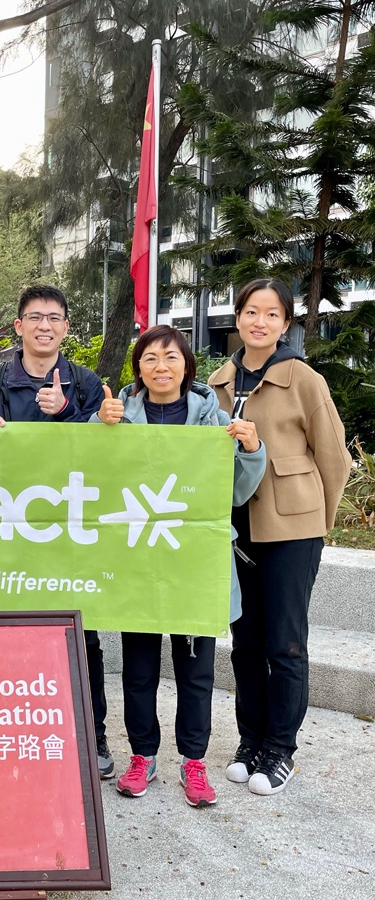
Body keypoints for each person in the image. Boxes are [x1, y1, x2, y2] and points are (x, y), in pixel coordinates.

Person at [94, 325, 265, 807]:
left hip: (194, 563)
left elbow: (235, 492)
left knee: (196, 672)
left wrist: (251, 450)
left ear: (187, 365)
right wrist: (95, 427)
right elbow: (89, 476)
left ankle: (193, 761)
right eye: (149, 359)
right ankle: (142, 756)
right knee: (138, 668)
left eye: (170, 357)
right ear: (138, 369)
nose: (161, 367)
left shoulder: (214, 420)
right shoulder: (116, 416)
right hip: (137, 558)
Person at [208, 278, 351, 796]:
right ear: (238, 317)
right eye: (250, 311)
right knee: (245, 640)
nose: (259, 322)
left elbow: (334, 458)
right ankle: (250, 741)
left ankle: (281, 748)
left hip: (293, 528)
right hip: (235, 526)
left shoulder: (303, 379)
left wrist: (318, 521)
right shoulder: (218, 381)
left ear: (285, 324)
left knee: (286, 643)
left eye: (271, 314)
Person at [0, 285, 114, 778]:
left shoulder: (87, 383)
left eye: (54, 317)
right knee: (6, 632)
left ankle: (93, 738)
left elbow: (102, 457)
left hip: (67, 530)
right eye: (35, 317)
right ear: (19, 326)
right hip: (3, 530)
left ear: (66, 328)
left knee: (81, 635)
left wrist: (66, 413)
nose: (45, 325)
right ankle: (7, 734)